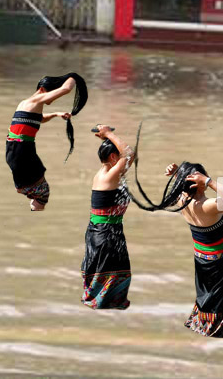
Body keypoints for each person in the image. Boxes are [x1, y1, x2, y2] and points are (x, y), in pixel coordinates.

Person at [128, 128, 223, 337]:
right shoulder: (207, 205)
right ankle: (217, 334)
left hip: (202, 260)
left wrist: (177, 173)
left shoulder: (181, 201)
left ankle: (203, 327)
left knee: (207, 298)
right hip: (221, 262)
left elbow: (183, 189)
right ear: (199, 182)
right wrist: (209, 181)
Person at [5, 74, 87, 211]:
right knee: (42, 192)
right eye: (52, 93)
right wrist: (74, 77)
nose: (53, 98)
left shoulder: (27, 103)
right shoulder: (37, 99)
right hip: (20, 150)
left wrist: (55, 114)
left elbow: (39, 119)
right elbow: (66, 89)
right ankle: (32, 213)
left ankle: (31, 208)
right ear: (43, 89)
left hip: (17, 148)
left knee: (39, 191)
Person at [81, 125, 136, 310]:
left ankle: (105, 304)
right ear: (113, 157)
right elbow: (129, 154)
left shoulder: (105, 172)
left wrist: (108, 138)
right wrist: (109, 134)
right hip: (106, 234)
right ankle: (105, 305)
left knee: (110, 275)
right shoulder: (110, 176)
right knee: (112, 275)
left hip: (102, 231)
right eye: (118, 157)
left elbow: (125, 155)